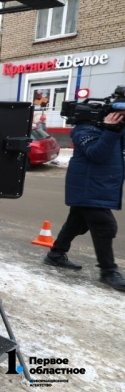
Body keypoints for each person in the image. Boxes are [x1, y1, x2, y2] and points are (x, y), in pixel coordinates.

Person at [44, 109, 125, 291]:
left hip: (99, 185)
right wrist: (111, 130)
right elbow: (97, 154)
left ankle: (56, 254)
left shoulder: (111, 129)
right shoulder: (85, 130)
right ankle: (108, 271)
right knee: (105, 226)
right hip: (89, 186)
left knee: (75, 223)